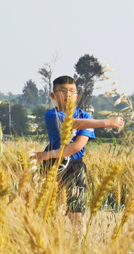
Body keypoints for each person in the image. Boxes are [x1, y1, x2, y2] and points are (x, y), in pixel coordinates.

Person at [33, 75, 124, 238]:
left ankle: (79, 242)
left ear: (77, 96)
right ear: (53, 96)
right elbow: (71, 123)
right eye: (62, 90)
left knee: (76, 211)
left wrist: (46, 155)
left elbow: (77, 146)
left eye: (71, 91)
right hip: (51, 165)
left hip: (74, 166)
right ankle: (48, 243)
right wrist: (107, 122)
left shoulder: (87, 118)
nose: (67, 94)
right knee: (48, 208)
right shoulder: (51, 115)